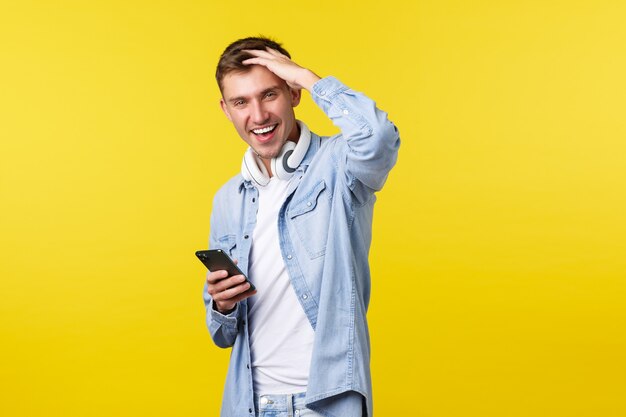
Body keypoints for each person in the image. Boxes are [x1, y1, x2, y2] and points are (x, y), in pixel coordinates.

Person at [203, 36, 400, 417]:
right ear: (226, 110)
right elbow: (221, 335)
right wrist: (222, 305)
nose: (258, 116)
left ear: (293, 93)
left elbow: (378, 140)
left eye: (270, 94)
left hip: (325, 402)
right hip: (249, 404)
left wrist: (310, 79)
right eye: (241, 102)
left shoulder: (339, 165)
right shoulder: (228, 199)